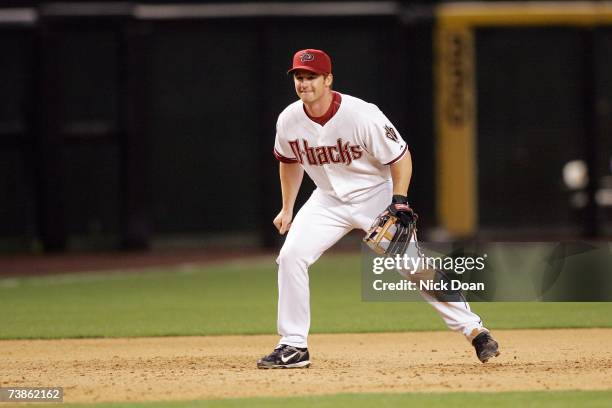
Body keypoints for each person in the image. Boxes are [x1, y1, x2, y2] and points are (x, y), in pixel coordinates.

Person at [256, 49, 499, 369]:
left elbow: (400, 156)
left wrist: (399, 199)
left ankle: (475, 330)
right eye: (299, 77)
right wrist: (288, 207)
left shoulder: (362, 114)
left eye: (311, 77)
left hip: (374, 195)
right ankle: (294, 345)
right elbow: (288, 162)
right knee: (290, 257)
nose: (304, 83)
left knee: (413, 267)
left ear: (328, 79)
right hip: (327, 200)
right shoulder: (289, 119)